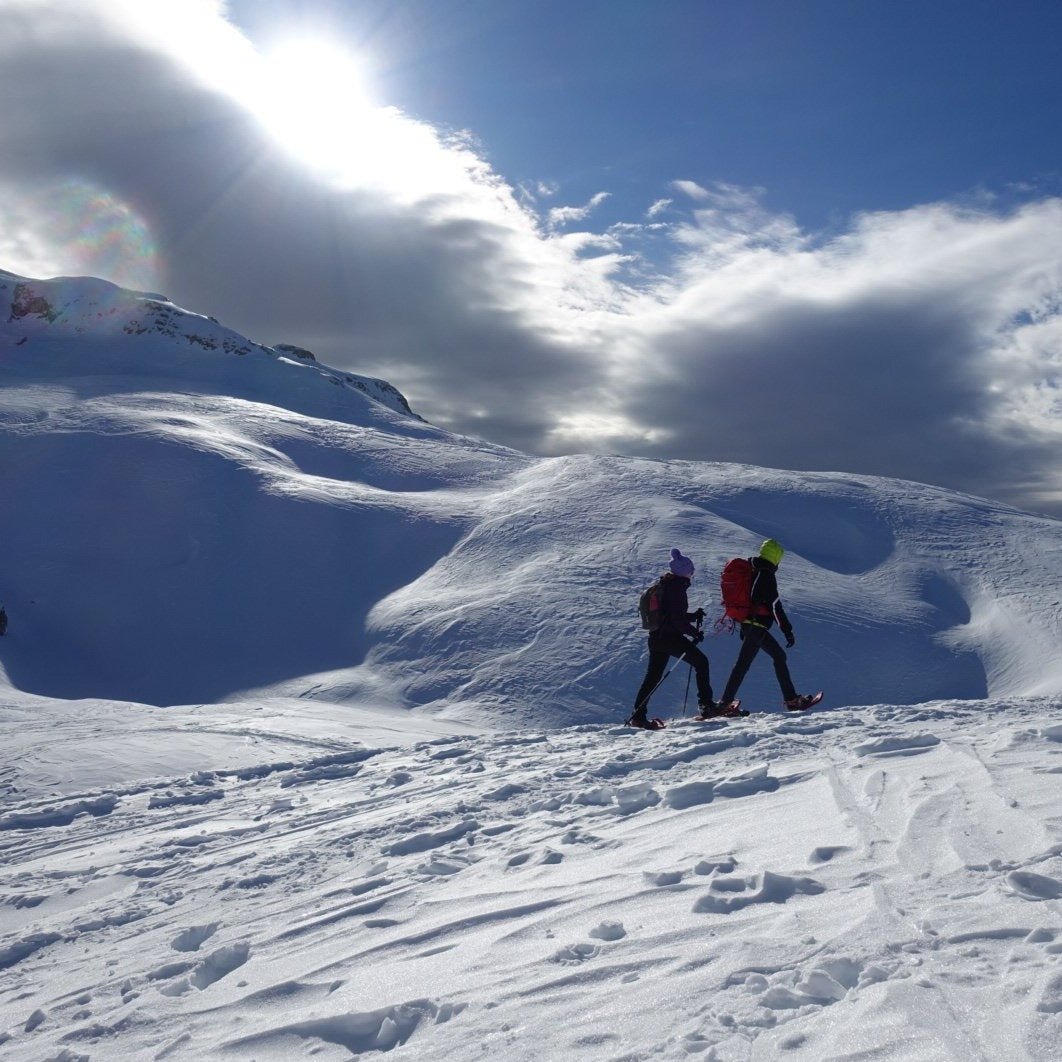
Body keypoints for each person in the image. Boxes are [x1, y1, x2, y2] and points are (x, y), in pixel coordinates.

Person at [712, 538, 817, 714]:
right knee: (778, 656)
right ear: (776, 557)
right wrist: (787, 631)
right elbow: (775, 606)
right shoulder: (766, 574)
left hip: (749, 625)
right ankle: (792, 700)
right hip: (757, 625)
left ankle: (724, 703)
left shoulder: (753, 570)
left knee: (743, 665)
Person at [629, 548, 715, 728]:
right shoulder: (677, 589)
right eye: (691, 571)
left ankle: (638, 716)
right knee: (702, 662)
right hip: (670, 639)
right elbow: (676, 620)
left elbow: (671, 615)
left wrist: (692, 616)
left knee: (652, 677)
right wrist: (694, 633)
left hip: (656, 639)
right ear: (686, 572)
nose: (692, 574)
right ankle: (707, 705)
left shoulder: (666, 585)